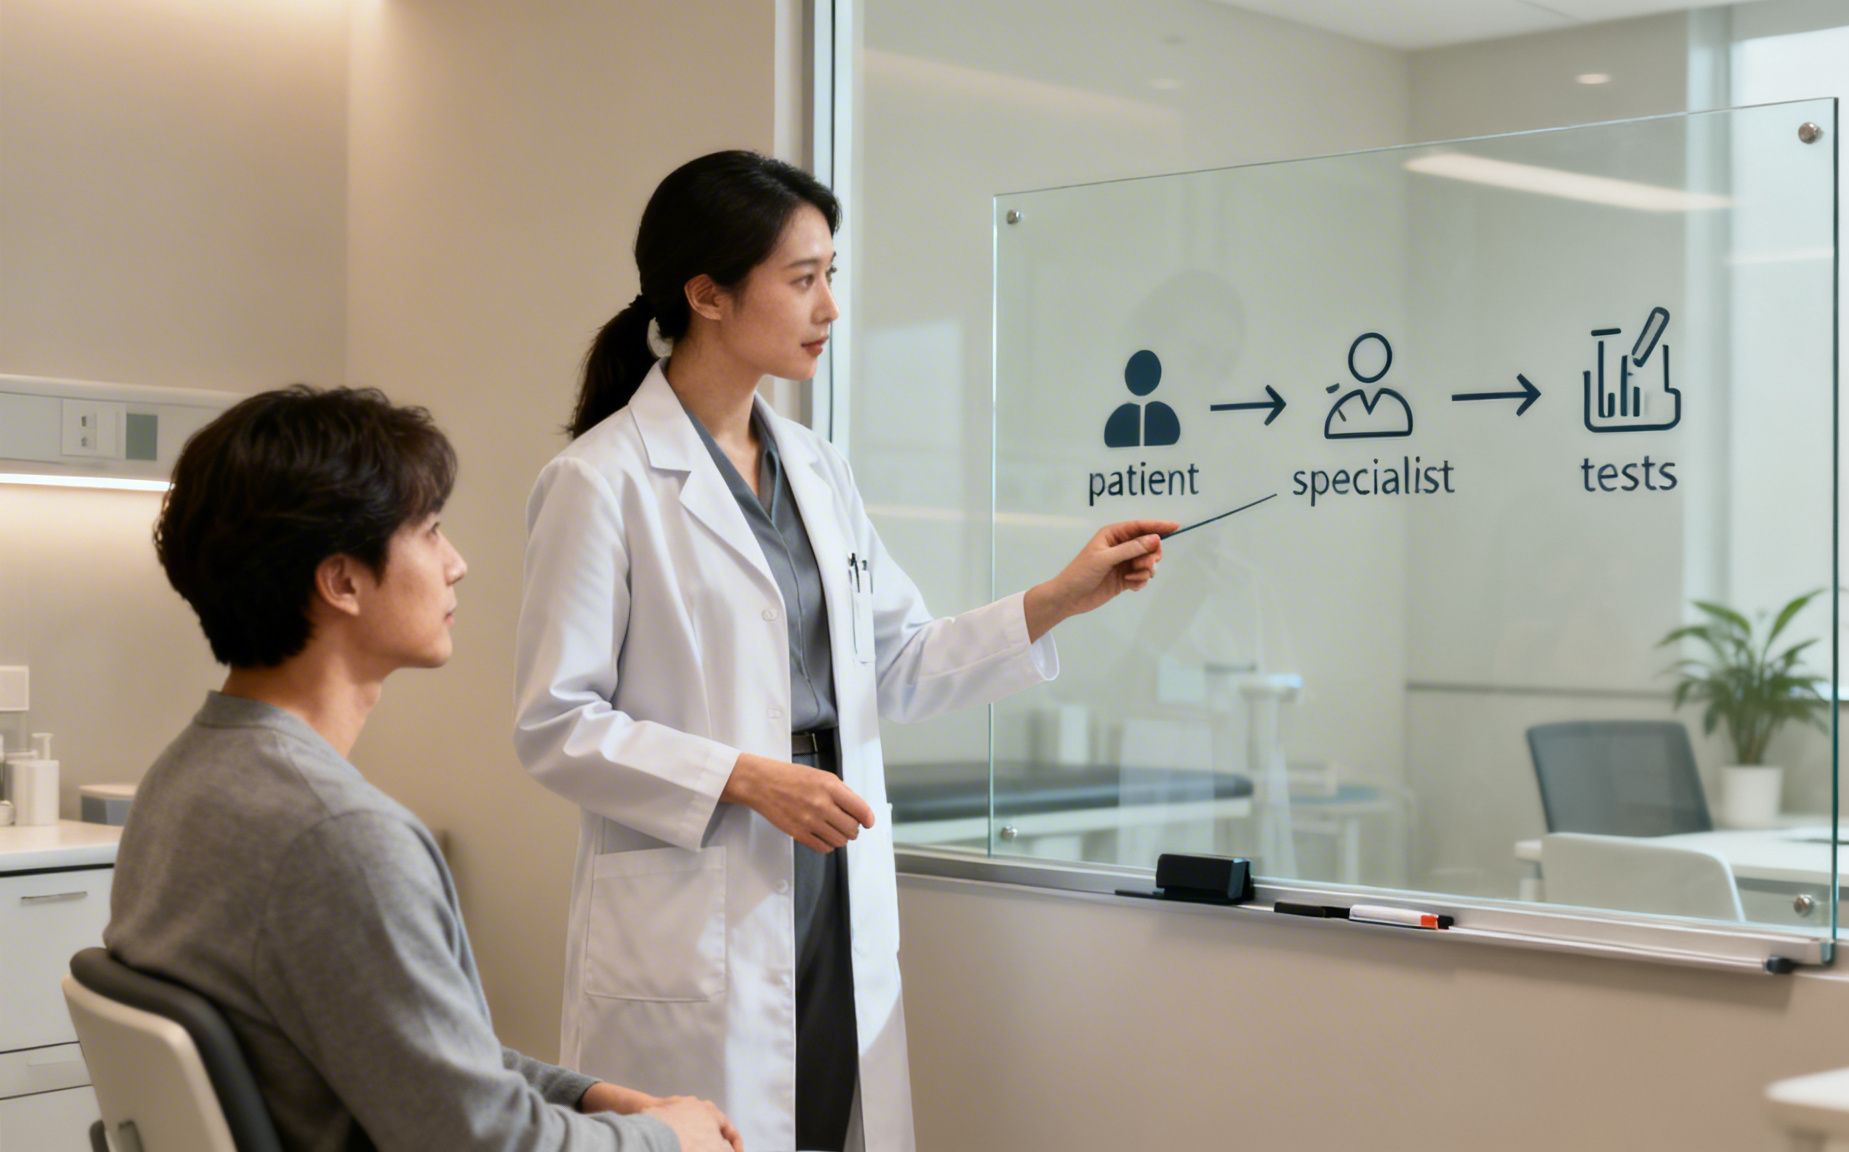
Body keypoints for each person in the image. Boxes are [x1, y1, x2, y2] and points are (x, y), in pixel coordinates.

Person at [513, 150, 1173, 1151]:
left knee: (828, 1118)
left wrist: (1054, 601)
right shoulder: (599, 481)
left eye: (833, 274)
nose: (829, 305)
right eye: (802, 278)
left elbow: (896, 664)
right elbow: (555, 726)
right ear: (707, 295)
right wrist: (740, 777)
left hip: (829, 869)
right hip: (703, 886)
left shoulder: (818, 470)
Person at [107, 386, 743, 1152]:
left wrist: (591, 1094)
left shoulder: (183, 782)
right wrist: (672, 1140)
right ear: (342, 581)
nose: (457, 564)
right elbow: (482, 1143)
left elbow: (401, 1052)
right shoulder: (341, 840)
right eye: (432, 532)